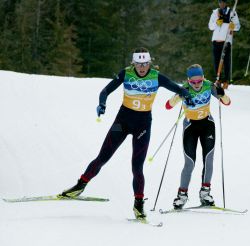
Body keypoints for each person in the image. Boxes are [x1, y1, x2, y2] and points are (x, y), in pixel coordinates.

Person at [60, 47, 194, 219]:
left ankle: (138, 205)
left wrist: (187, 95)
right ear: (134, 63)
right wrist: (102, 104)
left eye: (145, 63)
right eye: (139, 64)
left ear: (149, 63)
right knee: (103, 157)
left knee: (137, 167)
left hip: (143, 125)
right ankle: (79, 186)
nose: (142, 67)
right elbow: (105, 91)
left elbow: (178, 89)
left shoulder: (156, 76)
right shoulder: (126, 73)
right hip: (121, 122)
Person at [165, 64, 231, 209]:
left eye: (199, 81)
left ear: (203, 78)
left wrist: (222, 93)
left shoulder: (209, 86)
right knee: (189, 163)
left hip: (207, 125)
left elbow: (227, 102)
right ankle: (182, 195)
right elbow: (168, 106)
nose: (196, 84)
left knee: (208, 160)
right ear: (188, 80)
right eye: (192, 82)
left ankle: (205, 193)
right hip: (190, 127)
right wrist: (179, 94)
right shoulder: (184, 88)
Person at [208, 0, 240, 89]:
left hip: (226, 40)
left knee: (226, 62)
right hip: (216, 40)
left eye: (223, 2)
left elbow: (237, 27)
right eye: (220, 2)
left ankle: (226, 81)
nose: (221, 4)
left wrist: (231, 25)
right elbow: (210, 26)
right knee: (216, 62)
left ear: (226, 3)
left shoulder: (232, 12)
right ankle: (218, 80)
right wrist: (217, 23)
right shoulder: (215, 13)